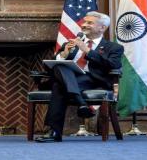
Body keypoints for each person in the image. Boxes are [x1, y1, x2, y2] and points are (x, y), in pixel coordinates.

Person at [35, 11, 124, 142]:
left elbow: (113, 65)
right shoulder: (70, 44)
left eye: (90, 23)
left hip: (93, 80)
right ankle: (81, 103)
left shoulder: (114, 47)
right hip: (71, 79)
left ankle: (54, 132)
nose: (84, 25)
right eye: (84, 22)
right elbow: (49, 67)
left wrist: (87, 50)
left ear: (102, 28)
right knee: (60, 67)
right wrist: (64, 54)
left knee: (58, 86)